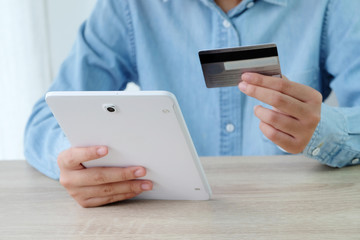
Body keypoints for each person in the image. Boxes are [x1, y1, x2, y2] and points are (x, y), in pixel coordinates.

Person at [24, 0, 360, 207]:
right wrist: (74, 160)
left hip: (291, 214)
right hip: (166, 215)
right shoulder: (127, 6)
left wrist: (322, 129)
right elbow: (44, 121)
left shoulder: (332, 4)